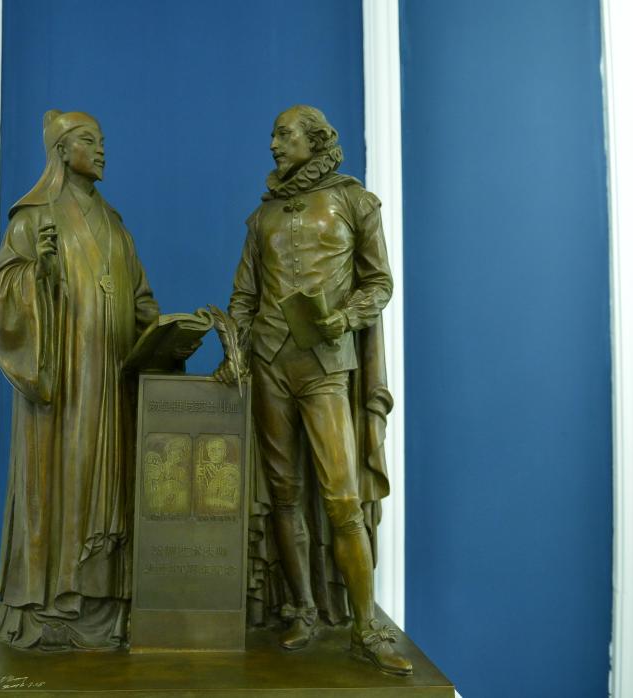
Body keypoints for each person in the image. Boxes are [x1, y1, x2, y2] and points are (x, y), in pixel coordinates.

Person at [214, 105, 412, 675]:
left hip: (326, 363)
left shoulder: (354, 201)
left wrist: (344, 318)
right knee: (283, 492)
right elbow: (244, 297)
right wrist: (235, 350)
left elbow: (379, 281)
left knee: (342, 497)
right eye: (273, 135)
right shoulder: (261, 218)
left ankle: (365, 625)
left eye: (284, 134)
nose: (274, 144)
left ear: (316, 140)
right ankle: (299, 607)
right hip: (270, 362)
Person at [0, 110, 161, 650]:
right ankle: (50, 600)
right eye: (88, 140)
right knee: (62, 479)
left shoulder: (114, 225)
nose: (101, 149)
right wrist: (36, 277)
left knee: (109, 483)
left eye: (102, 140)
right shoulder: (33, 220)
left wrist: (163, 334)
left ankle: (103, 599)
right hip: (61, 388)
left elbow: (140, 300)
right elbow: (3, 292)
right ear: (61, 149)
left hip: (111, 382)